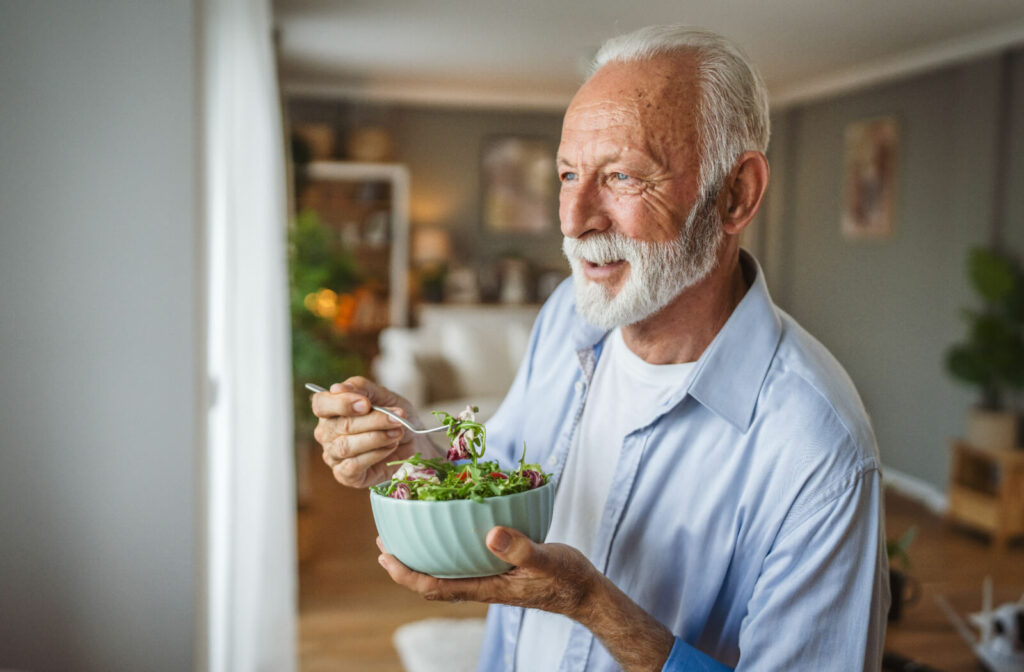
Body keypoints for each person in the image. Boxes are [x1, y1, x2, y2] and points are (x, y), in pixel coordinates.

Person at [311, 24, 889, 672]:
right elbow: (502, 475)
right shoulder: (568, 317)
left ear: (736, 194)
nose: (574, 218)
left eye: (620, 176)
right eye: (566, 174)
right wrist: (403, 443)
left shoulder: (819, 448)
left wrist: (592, 605)